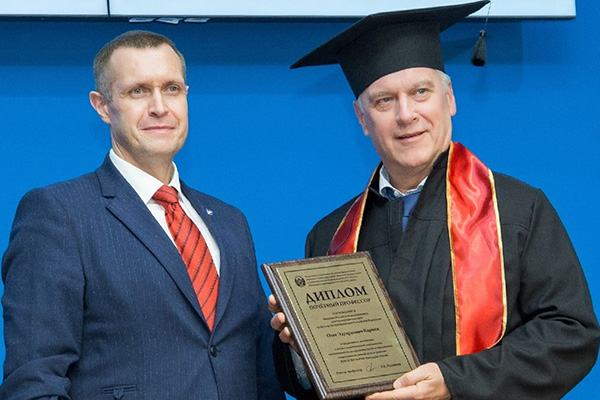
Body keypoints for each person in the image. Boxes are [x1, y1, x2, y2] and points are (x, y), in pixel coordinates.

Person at [269, 1, 599, 399]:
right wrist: (302, 350)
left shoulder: (516, 211)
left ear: (450, 99)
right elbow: (314, 383)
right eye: (384, 101)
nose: (406, 114)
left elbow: (570, 334)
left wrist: (456, 382)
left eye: (420, 92)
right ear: (362, 119)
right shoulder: (330, 236)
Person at [1, 30, 284, 400]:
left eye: (171, 89)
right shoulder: (59, 213)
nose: (159, 107)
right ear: (102, 106)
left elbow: (262, 374)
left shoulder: (230, 222)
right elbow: (34, 382)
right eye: (138, 91)